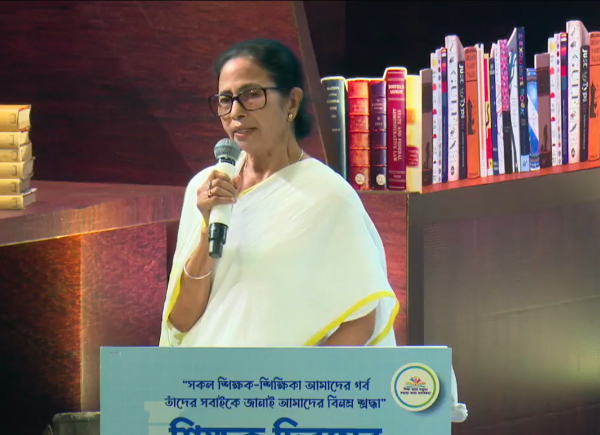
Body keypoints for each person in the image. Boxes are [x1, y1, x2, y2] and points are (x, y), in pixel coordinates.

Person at [158, 38, 467, 422]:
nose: (235, 112)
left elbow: (360, 319)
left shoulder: (327, 196)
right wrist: (208, 226)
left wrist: (297, 396)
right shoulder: (206, 188)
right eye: (225, 100)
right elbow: (181, 321)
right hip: (204, 401)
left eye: (251, 95)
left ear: (291, 102)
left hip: (285, 410)